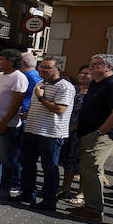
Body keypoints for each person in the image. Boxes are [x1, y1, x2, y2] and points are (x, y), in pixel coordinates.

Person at [68, 53, 113, 224]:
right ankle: (90, 206)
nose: (91, 66)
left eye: (97, 64)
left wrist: (99, 132)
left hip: (100, 136)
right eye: (91, 63)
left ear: (109, 68)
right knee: (89, 170)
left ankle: (94, 210)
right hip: (87, 133)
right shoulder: (95, 83)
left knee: (90, 169)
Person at [16, 57, 73, 209]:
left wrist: (41, 97)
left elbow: (60, 109)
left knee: (49, 168)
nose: (42, 70)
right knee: (27, 164)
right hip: (32, 130)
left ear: (58, 70)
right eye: (41, 67)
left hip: (51, 134)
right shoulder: (40, 84)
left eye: (47, 67)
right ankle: (27, 193)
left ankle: (49, 200)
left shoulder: (65, 87)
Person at [0, 50, 29, 197]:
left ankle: (5, 189)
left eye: (1, 58)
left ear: (11, 61)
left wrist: (4, 122)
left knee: (7, 159)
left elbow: (17, 103)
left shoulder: (19, 77)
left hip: (7, 125)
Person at [59, 66, 93, 201]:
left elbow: (88, 116)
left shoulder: (93, 93)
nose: (83, 75)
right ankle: (65, 188)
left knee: (83, 163)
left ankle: (81, 193)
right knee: (69, 161)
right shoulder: (73, 89)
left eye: (87, 74)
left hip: (82, 132)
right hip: (67, 131)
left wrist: (73, 128)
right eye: (82, 73)